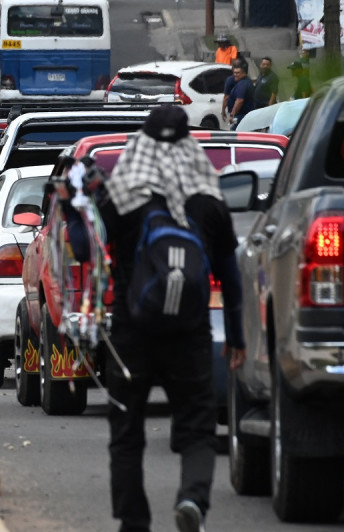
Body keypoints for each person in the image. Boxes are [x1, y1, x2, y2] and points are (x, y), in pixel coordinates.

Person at [58, 106, 245, 532]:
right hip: (191, 333)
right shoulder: (209, 201)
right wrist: (236, 334)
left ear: (141, 143)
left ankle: (133, 521)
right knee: (197, 428)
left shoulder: (123, 195)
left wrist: (71, 209)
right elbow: (230, 278)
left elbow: (85, 251)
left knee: (126, 431)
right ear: (187, 145)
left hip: (132, 333)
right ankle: (193, 498)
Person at [226, 62, 255, 130]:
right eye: (234, 72)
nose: (235, 75)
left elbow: (239, 100)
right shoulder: (244, 82)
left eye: (238, 73)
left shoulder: (243, 84)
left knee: (233, 136)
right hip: (243, 116)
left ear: (244, 73)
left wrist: (232, 115)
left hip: (241, 116)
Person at [221, 58, 245, 126]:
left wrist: (223, 111)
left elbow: (226, 97)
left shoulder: (230, 80)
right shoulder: (245, 80)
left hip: (235, 112)